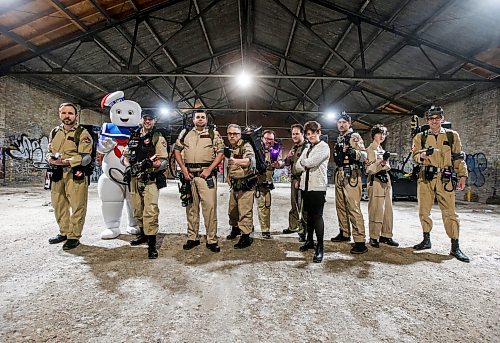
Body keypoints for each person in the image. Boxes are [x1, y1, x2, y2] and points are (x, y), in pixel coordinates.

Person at [412, 106, 469, 262]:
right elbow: (415, 156)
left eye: (437, 118)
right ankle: (426, 239)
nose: (434, 121)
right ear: (428, 120)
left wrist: (463, 175)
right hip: (426, 177)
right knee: (424, 210)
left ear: (442, 119)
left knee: (450, 212)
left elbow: (458, 157)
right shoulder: (420, 137)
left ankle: (455, 246)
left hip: (445, 177)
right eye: (431, 118)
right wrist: (423, 154)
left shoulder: (452, 136)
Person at [174, 111, 225, 253]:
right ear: (193, 119)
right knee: (191, 208)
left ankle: (212, 240)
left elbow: (220, 153)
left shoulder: (213, 134)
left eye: (203, 117)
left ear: (207, 119)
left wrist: (209, 169)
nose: (200, 119)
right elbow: (177, 150)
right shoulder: (185, 133)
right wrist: (183, 169)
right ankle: (192, 238)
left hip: (206, 176)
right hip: (189, 176)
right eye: (198, 117)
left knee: (210, 209)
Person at [47, 102, 93, 250]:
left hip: (75, 174)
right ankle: (64, 232)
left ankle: (74, 236)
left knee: (77, 205)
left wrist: (67, 161)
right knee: (58, 204)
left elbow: (86, 157)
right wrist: (50, 158)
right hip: (57, 173)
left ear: (75, 115)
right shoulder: (54, 132)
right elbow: (50, 150)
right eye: (64, 113)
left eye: (70, 113)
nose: (67, 116)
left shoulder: (82, 133)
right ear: (60, 114)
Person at [123, 111, 168, 259]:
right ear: (141, 120)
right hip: (134, 179)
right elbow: (125, 157)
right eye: (145, 119)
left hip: (150, 179)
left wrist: (151, 164)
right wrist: (129, 167)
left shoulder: (157, 137)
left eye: (150, 119)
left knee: (150, 210)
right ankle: (143, 234)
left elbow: (163, 161)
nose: (148, 121)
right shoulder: (134, 136)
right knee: (137, 208)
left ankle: (152, 244)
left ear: (154, 121)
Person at [331, 112, 368, 254]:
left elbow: (364, 154)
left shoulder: (354, 137)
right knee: (340, 206)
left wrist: (353, 152)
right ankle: (345, 232)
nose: (341, 124)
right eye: (339, 122)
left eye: (344, 122)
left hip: (351, 175)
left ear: (349, 123)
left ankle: (360, 241)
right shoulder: (340, 138)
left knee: (353, 207)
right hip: (340, 173)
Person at [295, 121, 330, 263]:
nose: (311, 136)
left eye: (314, 133)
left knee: (317, 217)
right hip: (306, 187)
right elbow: (298, 166)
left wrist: (304, 162)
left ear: (319, 133)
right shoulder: (307, 147)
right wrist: (304, 162)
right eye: (308, 134)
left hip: (317, 188)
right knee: (308, 216)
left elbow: (310, 163)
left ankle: (320, 247)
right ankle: (309, 241)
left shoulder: (324, 147)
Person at [365, 125, 399, 248]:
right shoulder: (370, 150)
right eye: (379, 133)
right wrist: (382, 162)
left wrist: (384, 161)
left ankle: (386, 235)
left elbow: (386, 166)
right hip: (376, 180)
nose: (382, 136)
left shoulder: (381, 149)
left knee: (388, 210)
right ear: (374, 135)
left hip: (386, 180)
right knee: (376, 209)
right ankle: (374, 236)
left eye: (384, 134)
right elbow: (369, 169)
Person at [226, 124, 256, 249]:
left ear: (240, 134)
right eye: (230, 134)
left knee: (245, 212)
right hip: (235, 185)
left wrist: (235, 161)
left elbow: (249, 161)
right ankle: (235, 229)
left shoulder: (245, 145)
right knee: (232, 210)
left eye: (235, 134)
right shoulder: (232, 147)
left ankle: (246, 236)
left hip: (246, 185)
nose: (232, 136)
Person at [255, 129, 284, 239]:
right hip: (251, 181)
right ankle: (245, 228)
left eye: (271, 139)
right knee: (245, 208)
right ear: (262, 138)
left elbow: (281, 161)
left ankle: (265, 230)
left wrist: (278, 163)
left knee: (265, 206)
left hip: (265, 182)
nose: (268, 141)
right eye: (266, 139)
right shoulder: (255, 148)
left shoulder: (275, 150)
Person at [283, 124, 307, 241]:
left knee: (303, 206)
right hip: (294, 179)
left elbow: (306, 165)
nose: (295, 136)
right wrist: (287, 157)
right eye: (293, 134)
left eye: (297, 133)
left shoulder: (307, 147)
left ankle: (303, 231)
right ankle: (293, 226)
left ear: (302, 134)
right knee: (294, 204)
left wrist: (301, 179)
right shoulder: (294, 147)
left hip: (302, 179)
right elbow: (288, 163)